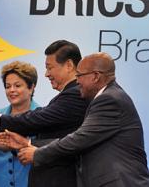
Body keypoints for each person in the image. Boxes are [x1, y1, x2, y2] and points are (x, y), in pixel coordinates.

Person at [16, 52, 149, 187]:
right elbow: (81, 138)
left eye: (79, 75)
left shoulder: (109, 100)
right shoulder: (107, 97)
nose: (77, 81)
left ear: (96, 76)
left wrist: (38, 154)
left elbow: (79, 139)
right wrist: (29, 143)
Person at [0, 40, 89, 187]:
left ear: (69, 65)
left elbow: (40, 121)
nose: (47, 74)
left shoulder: (75, 94)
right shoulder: (66, 95)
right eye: (8, 86)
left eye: (50, 68)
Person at [0, 61, 40, 187]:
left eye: (17, 85)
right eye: (7, 86)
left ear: (31, 87)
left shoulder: (43, 116)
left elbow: (47, 155)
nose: (12, 90)